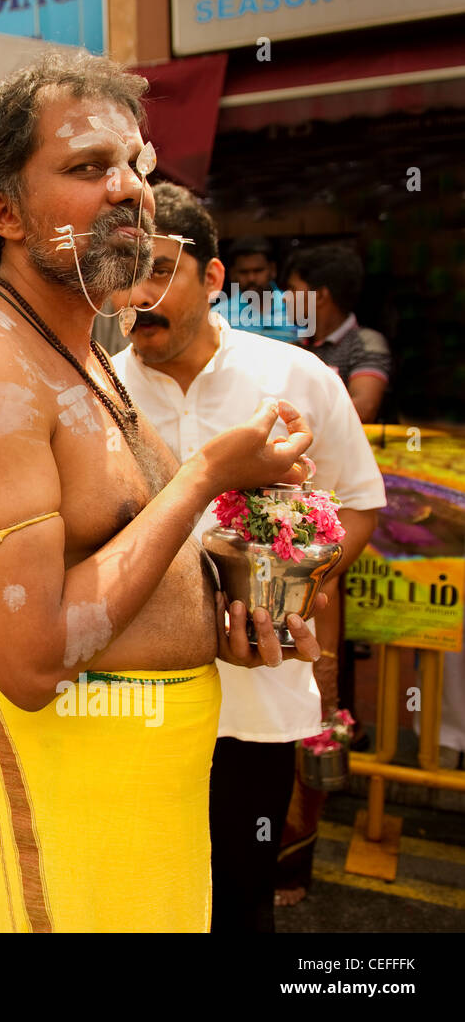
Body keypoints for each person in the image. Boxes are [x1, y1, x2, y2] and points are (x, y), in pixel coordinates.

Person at [0, 52, 327, 932]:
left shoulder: (91, 354)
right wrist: (210, 471)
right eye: (89, 167)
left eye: (136, 164)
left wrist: (235, 617)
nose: (130, 189)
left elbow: (117, 564)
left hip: (150, 807)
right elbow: (31, 658)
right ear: (5, 213)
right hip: (66, 813)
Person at [110, 183, 384, 931]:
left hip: (255, 693)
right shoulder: (98, 392)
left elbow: (358, 500)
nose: (139, 294)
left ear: (215, 279)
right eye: (125, 271)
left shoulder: (296, 379)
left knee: (239, 897)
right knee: (142, 903)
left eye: (160, 269)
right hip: (132, 693)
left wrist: (310, 580)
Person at [290, 243, 391, 423]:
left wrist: (294, 418)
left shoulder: (366, 343)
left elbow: (364, 409)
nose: (285, 297)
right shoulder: (296, 347)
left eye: (293, 289)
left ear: (320, 296)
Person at [223, 237, 298, 343]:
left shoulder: (297, 307)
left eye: (258, 271)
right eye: (243, 272)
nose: (251, 278)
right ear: (232, 274)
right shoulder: (220, 315)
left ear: (273, 270)